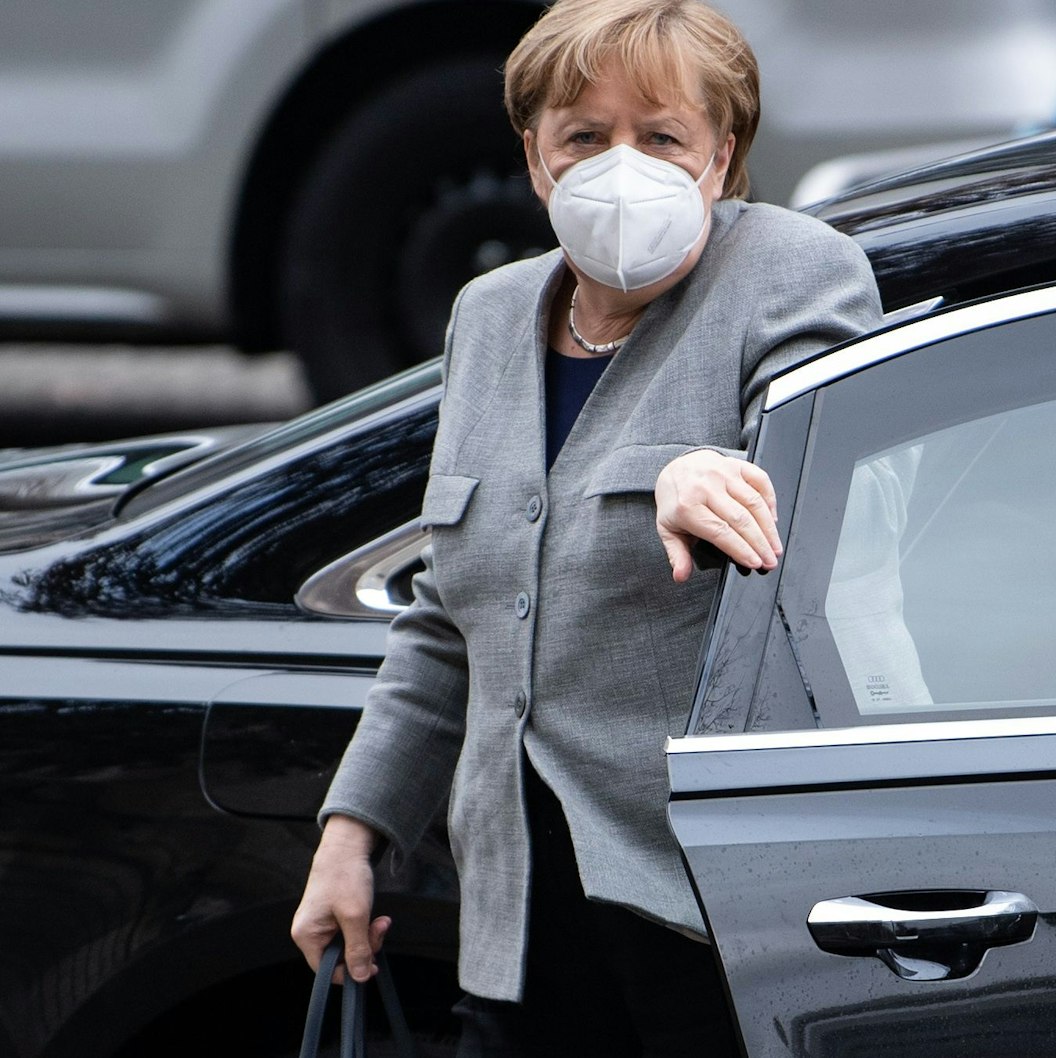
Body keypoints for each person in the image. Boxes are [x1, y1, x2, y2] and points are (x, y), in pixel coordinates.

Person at [287, 1, 883, 1053]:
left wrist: (713, 474)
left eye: (661, 136)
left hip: (706, 914)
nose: (621, 167)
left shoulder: (791, 272)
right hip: (517, 917)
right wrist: (353, 833)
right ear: (535, 157)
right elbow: (449, 618)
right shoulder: (489, 314)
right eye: (584, 136)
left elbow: (834, 509)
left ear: (720, 155)